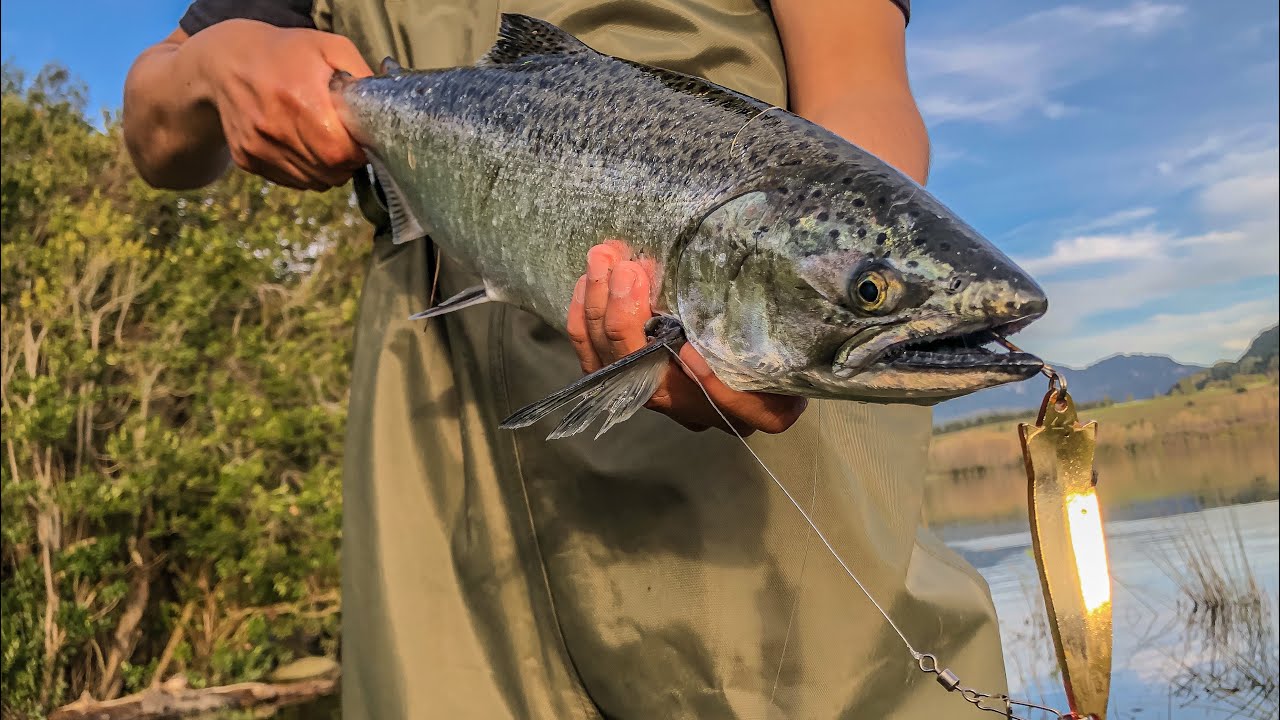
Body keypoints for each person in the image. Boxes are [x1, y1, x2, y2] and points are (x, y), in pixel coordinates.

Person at [123, 1, 1009, 717]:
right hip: (433, 405)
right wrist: (219, 59)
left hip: (756, 423)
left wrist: (852, 281)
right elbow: (154, 126)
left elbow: (861, 85)